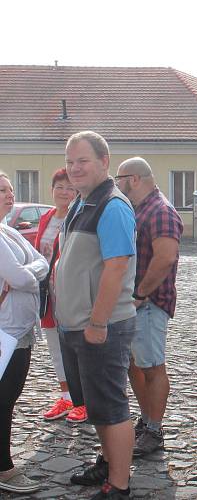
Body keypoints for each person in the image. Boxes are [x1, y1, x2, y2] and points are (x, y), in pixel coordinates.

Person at [56, 131, 137, 499]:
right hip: (77, 323)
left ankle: (119, 484)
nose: (74, 168)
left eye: (82, 160)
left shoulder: (112, 205)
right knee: (98, 406)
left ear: (104, 162)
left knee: (112, 404)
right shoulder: (83, 201)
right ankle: (107, 463)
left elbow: (116, 266)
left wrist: (98, 322)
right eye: (70, 161)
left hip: (100, 325)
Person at [115, 158, 183, 457]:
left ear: (133, 179)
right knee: (137, 365)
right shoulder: (142, 207)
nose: (116, 184)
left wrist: (141, 293)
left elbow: (166, 257)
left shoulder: (160, 210)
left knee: (153, 367)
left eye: (119, 179)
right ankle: (146, 421)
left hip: (150, 304)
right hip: (137, 304)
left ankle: (154, 429)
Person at [0, 172, 48, 494]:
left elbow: (42, 261)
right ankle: (3, 468)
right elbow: (20, 277)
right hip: (6, 333)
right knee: (3, 400)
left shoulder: (8, 232)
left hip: (20, 332)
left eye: (10, 190)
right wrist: (31, 273)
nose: (9, 195)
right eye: (1, 190)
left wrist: (29, 272)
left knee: (9, 398)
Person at [34, 168, 86, 423]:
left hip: (70, 293)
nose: (64, 192)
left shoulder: (78, 218)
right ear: (52, 190)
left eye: (69, 188)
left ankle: (83, 399)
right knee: (55, 346)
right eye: (59, 187)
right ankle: (66, 395)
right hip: (47, 294)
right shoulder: (46, 218)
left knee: (76, 347)